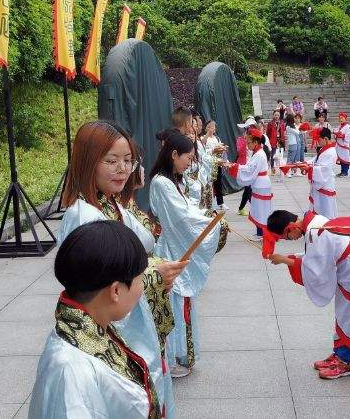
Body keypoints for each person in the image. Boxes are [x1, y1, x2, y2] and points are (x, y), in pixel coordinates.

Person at [57, 121, 183, 413]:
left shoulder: (111, 205)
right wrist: (153, 275)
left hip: (134, 315)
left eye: (128, 161)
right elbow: (97, 282)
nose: (122, 169)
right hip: (114, 323)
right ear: (88, 162)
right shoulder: (84, 216)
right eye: (111, 161)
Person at [29, 221, 158, 418]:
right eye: (141, 278)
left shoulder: (88, 327)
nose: (143, 286)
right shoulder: (70, 369)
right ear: (116, 290)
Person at [266, 210, 350, 380]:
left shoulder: (314, 232)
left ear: (291, 227)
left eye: (286, 237)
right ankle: (339, 353)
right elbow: (315, 259)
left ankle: (344, 361)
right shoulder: (313, 224)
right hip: (349, 266)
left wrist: (285, 260)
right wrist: (290, 258)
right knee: (344, 314)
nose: (291, 240)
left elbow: (316, 270)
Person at [149, 132, 227, 376]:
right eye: (188, 158)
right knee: (174, 306)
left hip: (176, 247)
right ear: (173, 154)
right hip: (170, 250)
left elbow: (186, 208)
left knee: (182, 305)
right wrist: (211, 224)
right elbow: (181, 217)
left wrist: (207, 219)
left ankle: (181, 356)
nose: (189, 163)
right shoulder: (162, 183)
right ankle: (171, 359)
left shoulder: (173, 180)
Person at [225, 128, 273, 238]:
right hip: (260, 183)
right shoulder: (257, 153)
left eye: (249, 143)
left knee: (261, 210)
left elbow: (249, 170)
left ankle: (262, 233)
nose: (247, 145)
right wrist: (234, 166)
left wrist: (234, 167)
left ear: (256, 142)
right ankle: (260, 232)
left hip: (261, 184)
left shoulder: (259, 155)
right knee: (259, 209)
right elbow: (248, 168)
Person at [308, 127, 338, 218]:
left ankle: (327, 226)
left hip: (325, 184)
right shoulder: (324, 149)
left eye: (319, 139)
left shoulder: (330, 152)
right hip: (321, 182)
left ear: (325, 139)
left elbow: (324, 169)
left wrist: (309, 168)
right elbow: (316, 161)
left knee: (326, 209)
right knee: (320, 207)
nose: (317, 141)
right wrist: (306, 164)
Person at [201, 120, 228, 210]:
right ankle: (209, 203)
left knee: (218, 182)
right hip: (208, 164)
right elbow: (203, 144)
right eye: (211, 126)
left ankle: (220, 202)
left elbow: (220, 148)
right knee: (209, 182)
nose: (213, 128)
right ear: (207, 127)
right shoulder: (203, 138)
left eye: (214, 127)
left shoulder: (217, 138)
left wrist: (223, 148)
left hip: (217, 162)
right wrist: (208, 134)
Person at [235, 117, 254, 216]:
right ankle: (252, 207)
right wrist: (245, 140)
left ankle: (242, 208)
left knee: (249, 188)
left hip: (252, 166)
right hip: (244, 166)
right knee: (248, 188)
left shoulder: (254, 139)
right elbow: (239, 151)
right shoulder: (240, 139)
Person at [334, 112, 350, 177]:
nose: (340, 119)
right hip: (339, 145)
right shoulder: (339, 126)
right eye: (339, 118)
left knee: (345, 158)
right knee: (341, 159)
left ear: (345, 119)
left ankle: (345, 172)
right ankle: (342, 171)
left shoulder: (348, 127)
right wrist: (336, 134)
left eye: (342, 118)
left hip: (344, 145)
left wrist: (343, 136)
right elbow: (336, 132)